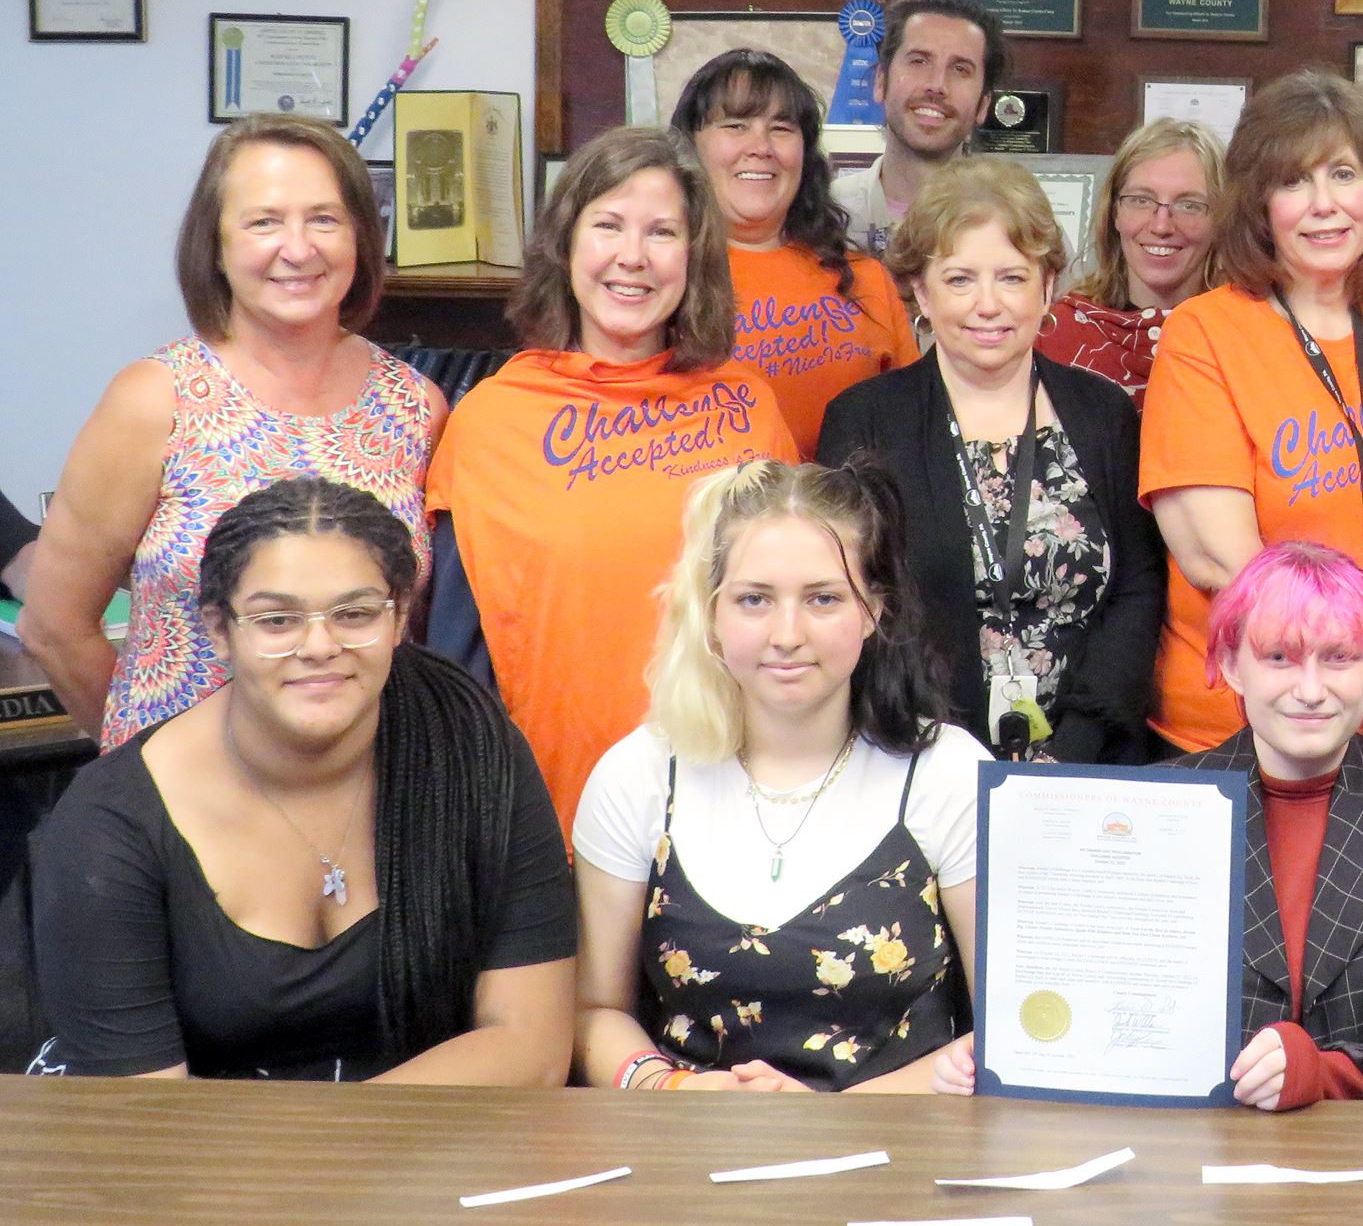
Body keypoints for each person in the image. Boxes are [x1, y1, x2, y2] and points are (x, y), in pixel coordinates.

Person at [30, 478, 574, 1082]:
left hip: (437, 1149)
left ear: (398, 618)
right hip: (206, 1160)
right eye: (277, 619)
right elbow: (147, 1120)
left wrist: (365, 1153)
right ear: (219, 630)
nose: (319, 645)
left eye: (355, 613)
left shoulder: (467, 740)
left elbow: (533, 1045)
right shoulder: (109, 825)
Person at [935, 542, 1363, 1106]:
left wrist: (1328, 1073)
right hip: (1194, 1153)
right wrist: (1006, 1050)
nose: (1310, 690)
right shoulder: (1156, 807)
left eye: (1339, 658)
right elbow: (1103, 1009)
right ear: (1231, 664)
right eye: (1279, 657)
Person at [22, 114, 442, 748]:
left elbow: (415, 631)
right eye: (263, 221)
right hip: (184, 812)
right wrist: (146, 770)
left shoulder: (415, 407)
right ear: (215, 245)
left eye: (324, 219)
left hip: (364, 787)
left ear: (360, 237)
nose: (297, 248)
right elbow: (54, 625)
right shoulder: (155, 401)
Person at [426, 127, 799, 835]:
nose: (633, 257)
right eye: (607, 225)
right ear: (565, 244)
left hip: (731, 801)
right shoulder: (492, 420)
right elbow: (457, 653)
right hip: (548, 810)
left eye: (662, 231)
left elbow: (793, 609)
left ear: (695, 257)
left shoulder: (748, 407)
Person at [573, 458, 988, 1093]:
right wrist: (670, 1088)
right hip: (687, 1155)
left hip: (897, 1157)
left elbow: (1019, 1029)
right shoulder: (639, 775)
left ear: (874, 609)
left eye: (823, 599)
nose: (787, 634)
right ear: (710, 613)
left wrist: (828, 1117)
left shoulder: (949, 772)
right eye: (754, 600)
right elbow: (592, 1012)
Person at [1140, 71, 1363, 758]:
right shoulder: (1203, 333)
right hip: (1251, 733)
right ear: (1257, 203)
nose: (1325, 205)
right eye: (1295, 182)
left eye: (1343, 174)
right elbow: (1221, 557)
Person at [817, 158, 1164, 763]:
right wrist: (943, 756)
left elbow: (1137, 586)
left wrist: (1078, 743)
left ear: (1048, 284)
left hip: (1093, 759)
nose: (987, 305)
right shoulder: (865, 420)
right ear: (921, 291)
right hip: (912, 759)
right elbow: (847, 598)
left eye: (1010, 277)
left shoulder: (1102, 413)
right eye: (959, 280)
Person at [671, 48, 919, 457]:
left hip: (851, 516)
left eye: (781, 128)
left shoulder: (868, 279)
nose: (761, 146)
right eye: (735, 125)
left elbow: (913, 426)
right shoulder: (662, 280)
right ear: (690, 147)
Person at [1036, 117, 1225, 402]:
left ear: (1222, 219)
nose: (1161, 226)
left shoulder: (1245, 338)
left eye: (1189, 205)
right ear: (1114, 213)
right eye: (1141, 200)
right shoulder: (1054, 336)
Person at [830, 0, 1009, 259]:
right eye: (918, 61)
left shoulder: (1020, 222)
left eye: (960, 69)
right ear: (880, 82)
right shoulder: (823, 216)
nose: (936, 85)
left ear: (983, 105)